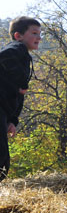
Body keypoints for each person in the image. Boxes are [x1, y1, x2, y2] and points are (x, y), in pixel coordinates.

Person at [0, 17, 41, 181]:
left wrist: (12, 120)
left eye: (40, 34)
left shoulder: (23, 56)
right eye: (34, 33)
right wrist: (20, 81)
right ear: (18, 36)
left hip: (4, 111)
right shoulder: (15, 49)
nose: (39, 38)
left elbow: (19, 95)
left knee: (3, 161)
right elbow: (3, 57)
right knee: (1, 158)